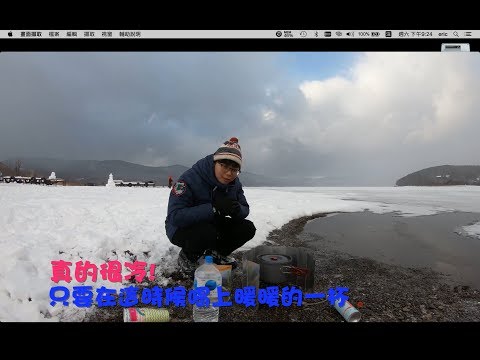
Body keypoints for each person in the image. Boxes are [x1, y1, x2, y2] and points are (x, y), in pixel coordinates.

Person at [165, 137, 256, 274]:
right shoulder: (188, 180)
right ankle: (187, 257)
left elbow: (245, 208)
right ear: (215, 162)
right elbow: (175, 216)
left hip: (211, 223)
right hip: (180, 228)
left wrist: (237, 209)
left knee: (247, 228)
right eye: (224, 166)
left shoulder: (234, 184)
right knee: (207, 232)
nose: (229, 173)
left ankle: (216, 253)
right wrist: (212, 208)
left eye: (234, 169)